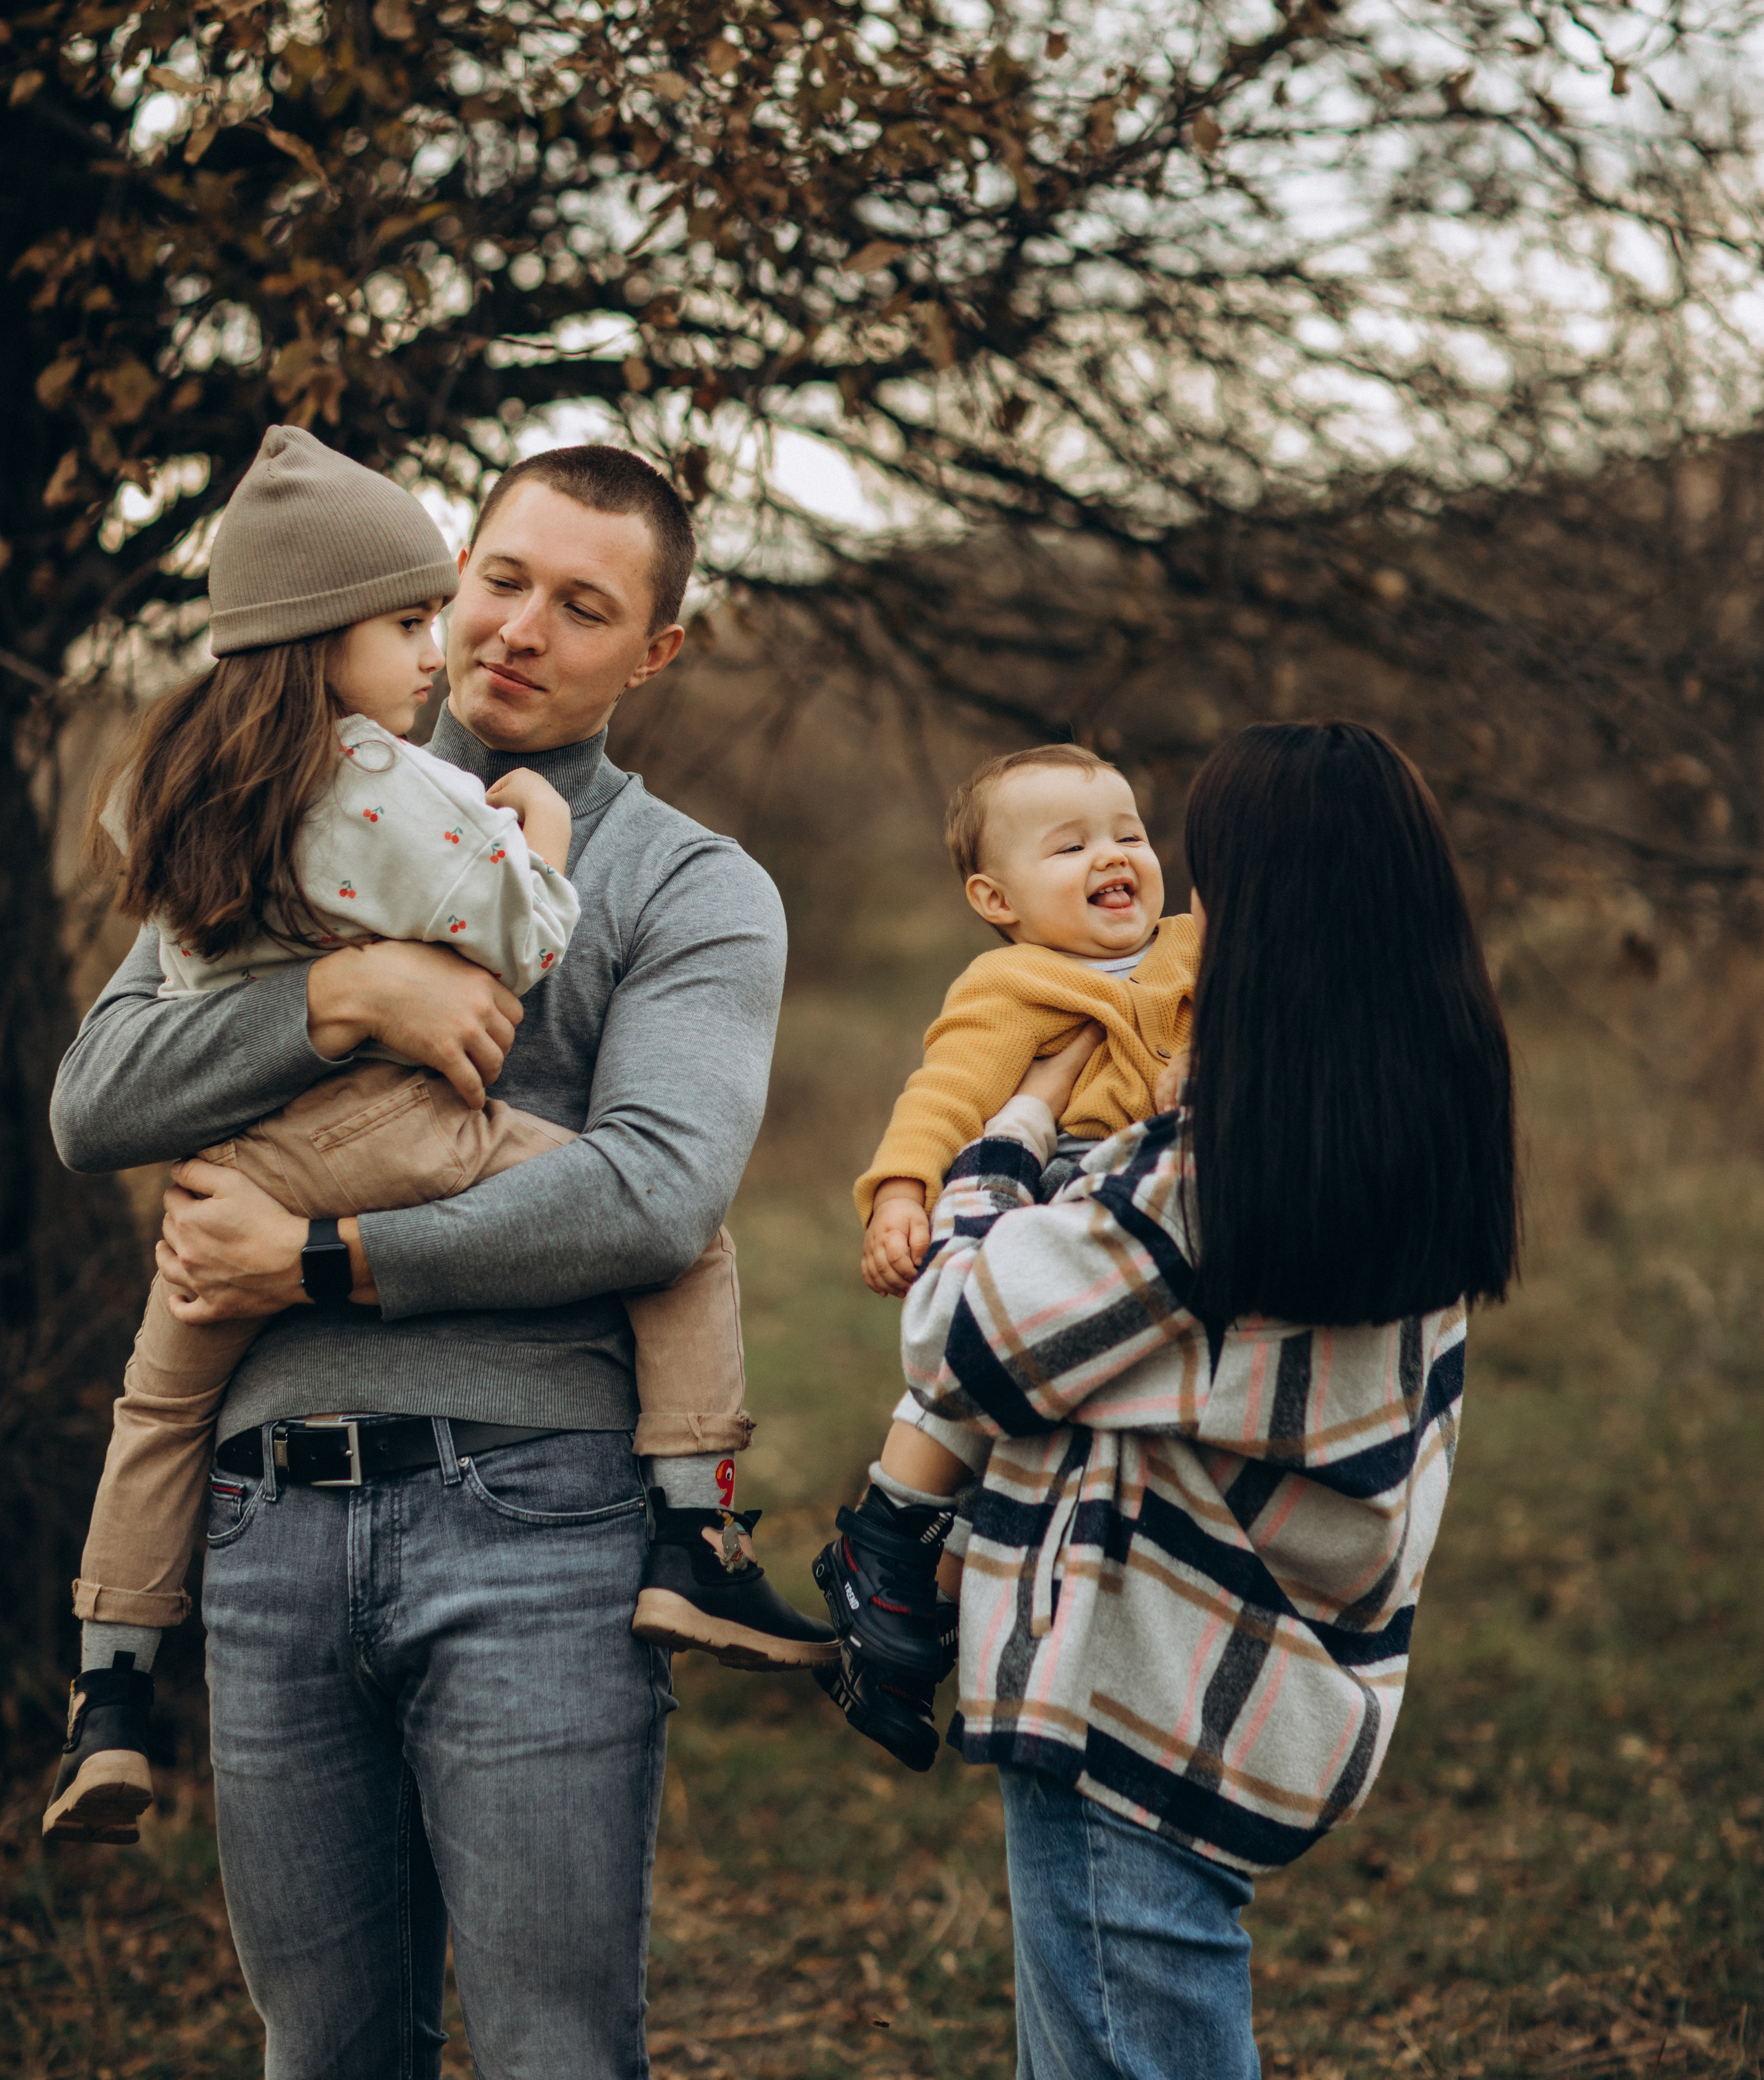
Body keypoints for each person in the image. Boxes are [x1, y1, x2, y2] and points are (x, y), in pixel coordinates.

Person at [49, 434, 825, 2077]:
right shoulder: (268, 802)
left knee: (551, 2047)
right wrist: (340, 1000)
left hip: (535, 1521)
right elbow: (95, 1097)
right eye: (499, 579)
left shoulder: (691, 887)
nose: (519, 629)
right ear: (442, 578)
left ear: (655, 650)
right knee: (323, 2050)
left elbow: (655, 1195)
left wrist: (324, 1261)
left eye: (584, 605)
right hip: (267, 1526)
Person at [896, 721, 1519, 2079]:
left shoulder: (1204, 1180)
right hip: (1283, 1664)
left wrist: (1010, 1129)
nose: (1182, 911)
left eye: (1204, 885)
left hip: (1133, 1689)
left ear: (1261, 917)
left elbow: (950, 1335)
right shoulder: (1423, 1129)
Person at [815, 743, 1200, 1765]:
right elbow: (941, 1098)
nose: (1113, 856)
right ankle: (889, 1539)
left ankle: (921, 1623)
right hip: (1049, 1191)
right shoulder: (1012, 982)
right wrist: (899, 1191)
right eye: (1070, 846)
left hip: (1156, 1205)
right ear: (996, 897)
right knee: (969, 1378)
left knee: (1026, 1452)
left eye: (1129, 833)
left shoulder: (1195, 946)